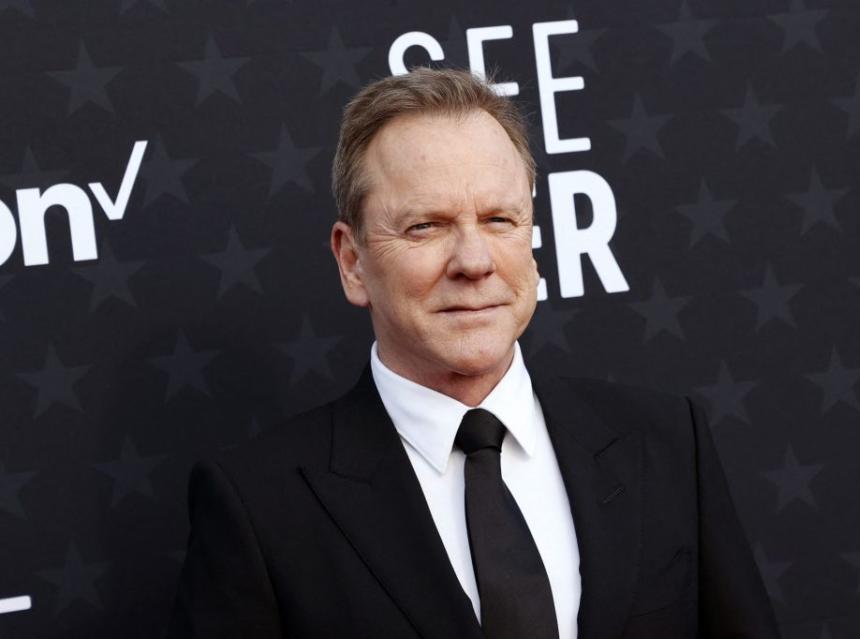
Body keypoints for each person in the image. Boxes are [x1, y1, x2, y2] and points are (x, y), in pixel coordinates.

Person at [167, 67, 780, 638]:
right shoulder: (260, 506)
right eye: (425, 226)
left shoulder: (666, 444)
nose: (474, 261)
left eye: (499, 220)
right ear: (352, 262)